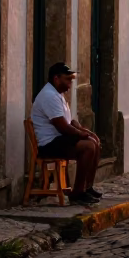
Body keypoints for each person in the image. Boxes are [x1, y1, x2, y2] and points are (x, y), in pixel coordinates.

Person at [31, 62, 102, 206]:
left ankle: (87, 188)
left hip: (59, 140)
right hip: (49, 144)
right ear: (56, 79)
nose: (70, 82)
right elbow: (63, 127)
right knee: (88, 147)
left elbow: (70, 121)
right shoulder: (48, 96)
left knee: (95, 142)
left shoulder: (58, 95)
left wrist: (87, 132)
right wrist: (82, 136)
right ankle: (77, 193)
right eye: (67, 79)